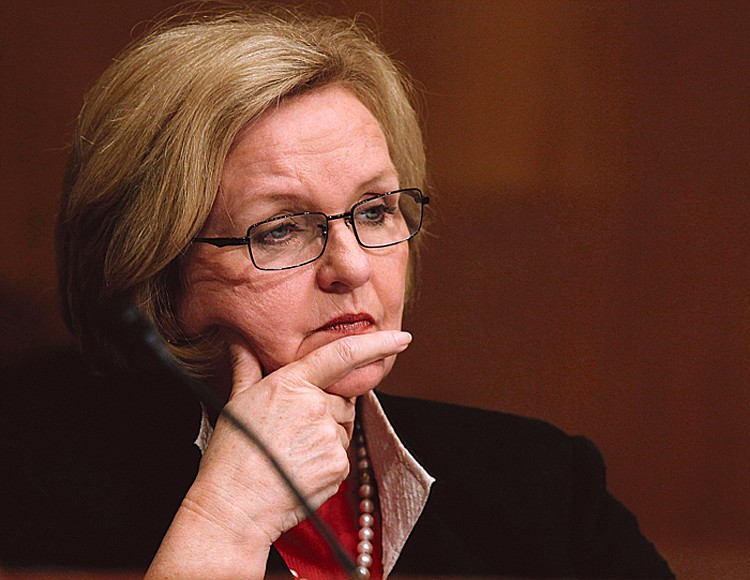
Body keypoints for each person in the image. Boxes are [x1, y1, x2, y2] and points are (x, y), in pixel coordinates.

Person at [1, 6, 674, 579]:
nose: (350, 266)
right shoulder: (32, 489)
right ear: (156, 271)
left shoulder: (544, 486)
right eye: (282, 229)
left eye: (376, 210)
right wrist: (228, 517)